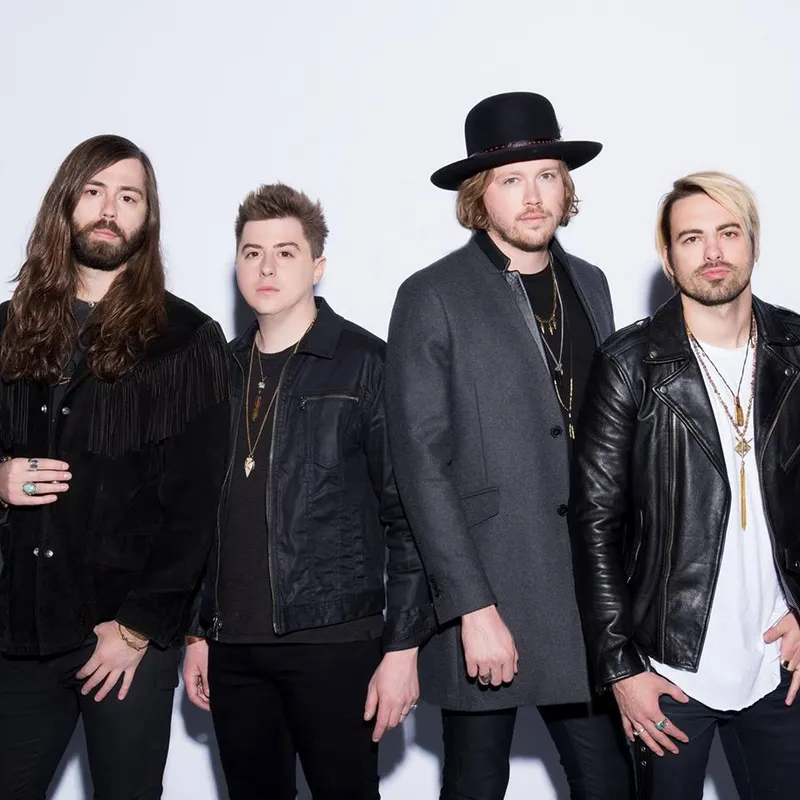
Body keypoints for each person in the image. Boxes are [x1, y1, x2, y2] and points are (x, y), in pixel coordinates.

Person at [385, 92, 632, 800]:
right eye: (511, 179)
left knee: (608, 781)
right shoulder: (430, 295)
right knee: (475, 785)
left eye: (548, 175)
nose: (533, 196)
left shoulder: (591, 284)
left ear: (567, 188)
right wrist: (471, 606)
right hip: (487, 589)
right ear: (478, 195)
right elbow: (420, 464)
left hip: (585, 590)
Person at [182, 182, 434, 800]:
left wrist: (402, 648)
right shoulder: (219, 370)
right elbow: (195, 513)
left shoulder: (366, 363)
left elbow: (409, 517)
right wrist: (195, 630)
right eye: (252, 252)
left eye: (286, 252)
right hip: (232, 649)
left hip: (336, 644)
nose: (266, 267)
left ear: (317, 266)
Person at [0, 134, 230, 799]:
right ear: (65, 204)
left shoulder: (187, 340)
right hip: (19, 630)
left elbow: (196, 506)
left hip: (125, 638)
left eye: (128, 196)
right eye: (94, 191)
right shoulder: (7, 329)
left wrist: (135, 628)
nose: (109, 209)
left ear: (146, 219)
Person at [569, 171, 800, 799]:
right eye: (692, 238)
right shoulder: (630, 366)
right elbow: (594, 525)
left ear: (753, 242)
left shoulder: (795, 349)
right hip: (668, 670)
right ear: (668, 258)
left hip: (778, 668)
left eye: (728, 233)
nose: (714, 252)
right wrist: (621, 670)